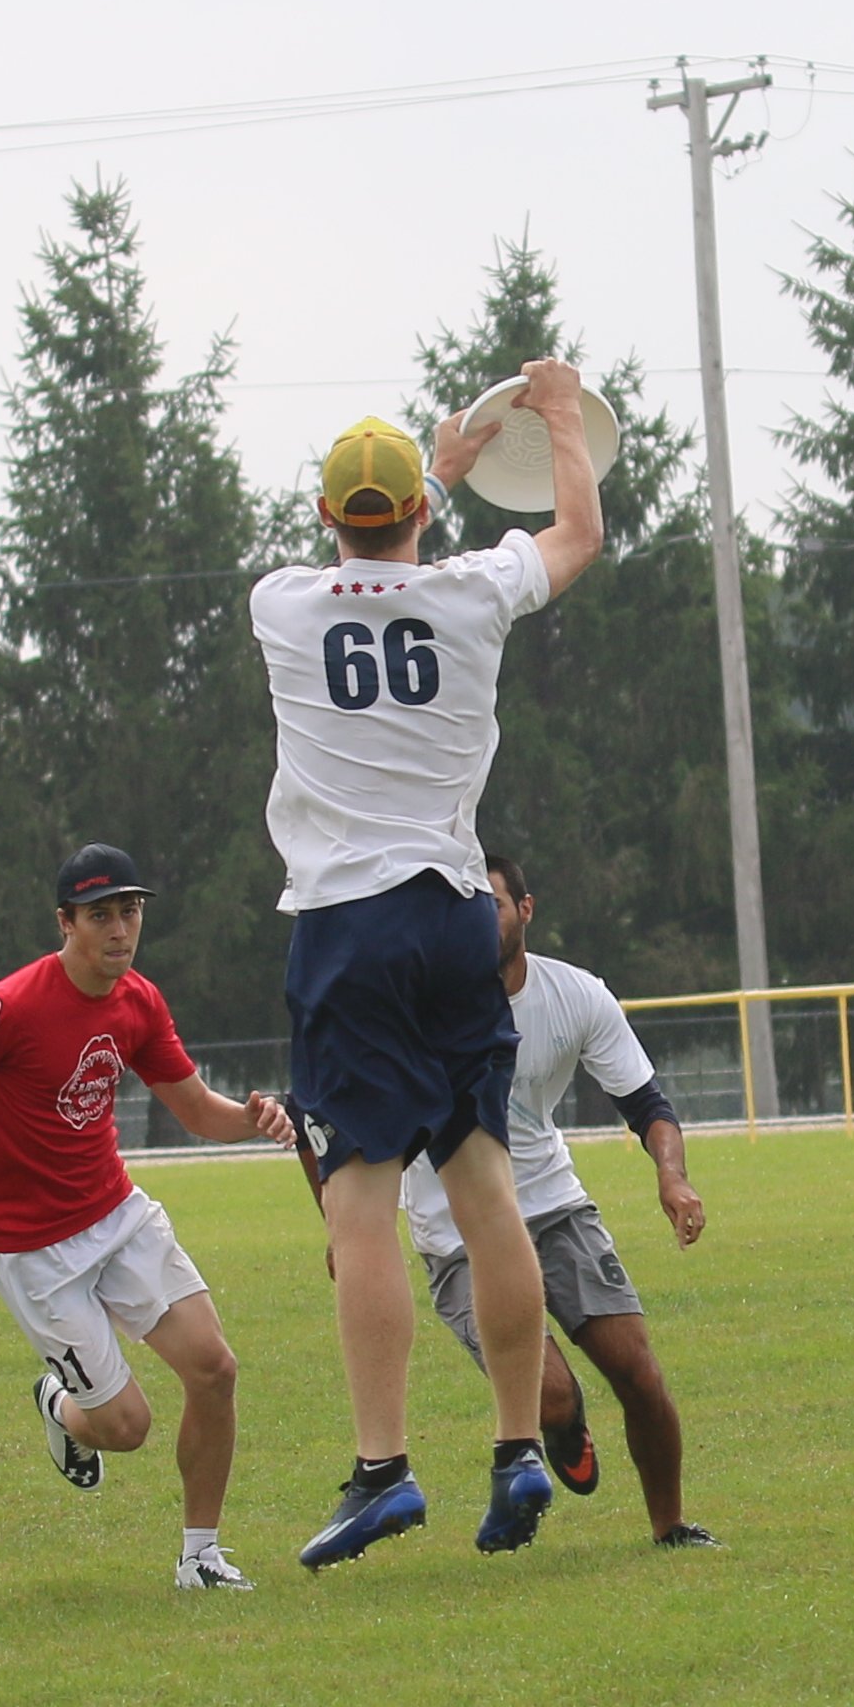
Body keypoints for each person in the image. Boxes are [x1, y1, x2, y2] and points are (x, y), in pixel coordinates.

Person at [250, 362, 606, 1569]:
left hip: (344, 929)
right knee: (483, 1190)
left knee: (358, 1208)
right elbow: (576, 533)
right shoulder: (471, 595)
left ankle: (382, 1469)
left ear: (323, 514)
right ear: (417, 512)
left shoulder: (279, 604)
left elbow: (365, 565)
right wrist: (558, 415)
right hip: (455, 914)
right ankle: (515, 1445)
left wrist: (436, 475)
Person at [0, 844, 297, 1592]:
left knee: (214, 1368)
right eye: (101, 916)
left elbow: (195, 1109)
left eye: (131, 911)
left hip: (116, 1214)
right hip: (32, 1250)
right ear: (66, 922)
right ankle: (61, 1406)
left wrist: (256, 1119)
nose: (120, 929)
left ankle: (200, 1558)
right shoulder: (8, 1008)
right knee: (127, 1428)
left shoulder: (138, 1001)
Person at [402, 856, 720, 1549]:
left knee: (637, 1370)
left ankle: (671, 1527)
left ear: (526, 909)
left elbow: (647, 1104)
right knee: (548, 1396)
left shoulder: (575, 994)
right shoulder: (417, 1005)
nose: (478, 921)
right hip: (458, 1232)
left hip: (553, 1207)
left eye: (491, 905)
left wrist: (672, 1177)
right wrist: (345, 1225)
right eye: (464, 909)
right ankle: (565, 1421)